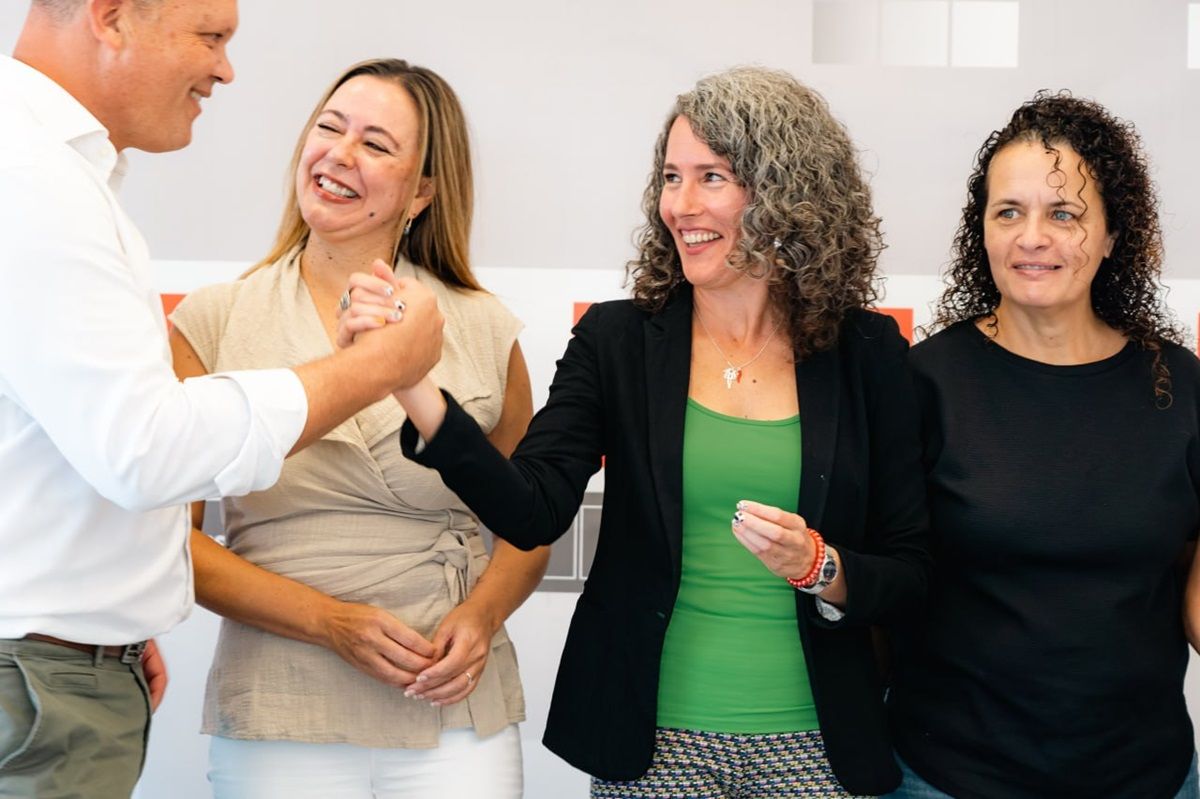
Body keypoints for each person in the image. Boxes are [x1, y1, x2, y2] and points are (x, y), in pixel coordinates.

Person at [344, 66, 930, 797]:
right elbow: (532, 506)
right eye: (671, 177)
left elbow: (911, 570)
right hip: (653, 745)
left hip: (818, 743)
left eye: (711, 176)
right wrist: (410, 383)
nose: (679, 204)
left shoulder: (869, 353)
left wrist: (820, 565)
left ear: (788, 193)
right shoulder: (618, 339)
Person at [0, 3, 443, 797]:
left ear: (422, 193)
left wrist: (114, 615)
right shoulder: (35, 183)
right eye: (211, 37)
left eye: (377, 144)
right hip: (43, 685)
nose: (225, 69)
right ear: (109, 17)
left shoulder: (58, 179)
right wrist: (376, 370)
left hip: (65, 669)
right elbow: (147, 450)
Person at [169, 58, 547, 799]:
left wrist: (481, 614)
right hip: (281, 705)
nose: (340, 155)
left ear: (424, 189)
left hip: (453, 710)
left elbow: (529, 524)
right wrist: (327, 620)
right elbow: (173, 540)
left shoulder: (483, 327)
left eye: (376, 144)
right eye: (330, 128)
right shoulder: (212, 320)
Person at [886, 92, 1200, 799]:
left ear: (1115, 233)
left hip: (1148, 778)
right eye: (1009, 212)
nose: (1033, 237)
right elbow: (882, 589)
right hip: (947, 778)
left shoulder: (1180, 386)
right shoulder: (923, 383)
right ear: (983, 232)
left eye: (1064, 213)